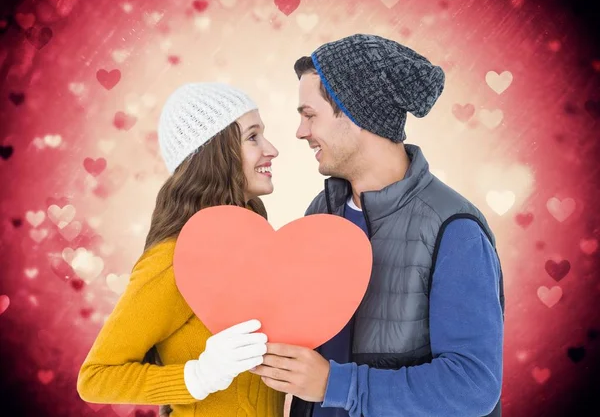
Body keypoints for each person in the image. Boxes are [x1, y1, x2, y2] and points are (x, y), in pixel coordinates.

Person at [249, 34, 505, 417]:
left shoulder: (454, 229)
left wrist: (337, 385)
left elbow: (472, 385)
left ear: (355, 113)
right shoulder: (321, 212)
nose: (300, 132)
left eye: (309, 114)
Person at [77, 82, 285, 417]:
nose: (271, 149)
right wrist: (199, 376)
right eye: (253, 136)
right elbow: (96, 377)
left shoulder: (255, 243)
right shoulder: (175, 258)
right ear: (215, 153)